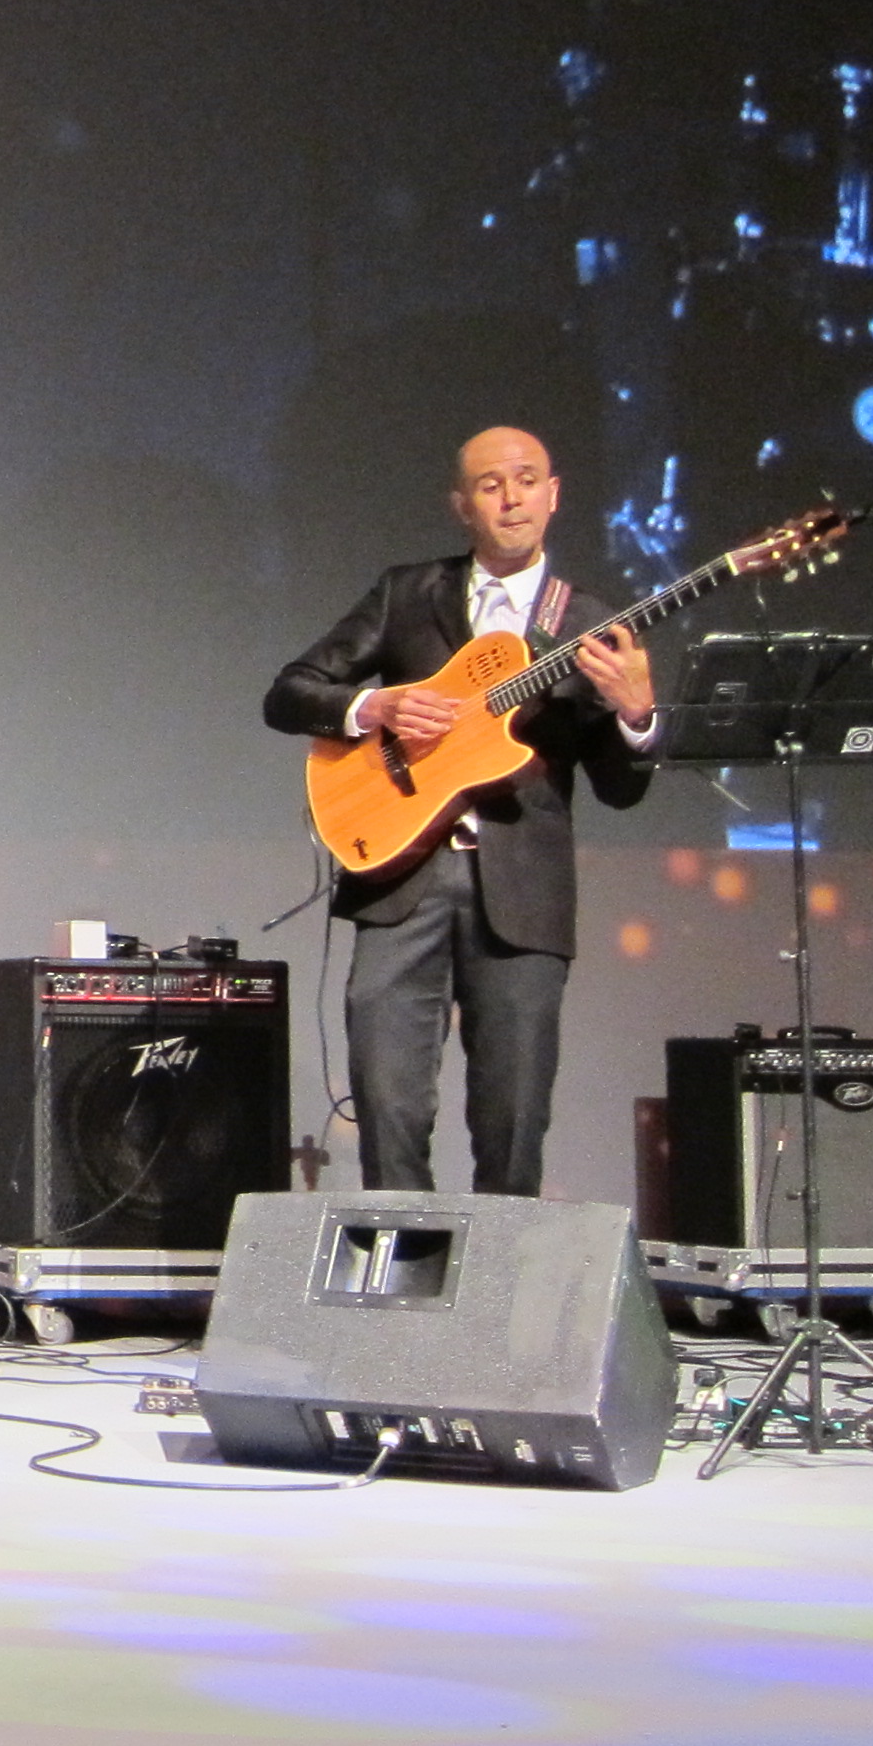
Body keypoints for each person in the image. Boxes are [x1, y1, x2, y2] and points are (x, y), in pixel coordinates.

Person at [264, 425, 655, 1200]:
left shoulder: (589, 622)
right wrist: (376, 707)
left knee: (514, 1118)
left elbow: (620, 788)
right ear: (461, 505)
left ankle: (499, 1274)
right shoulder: (408, 594)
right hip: (399, 876)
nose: (511, 498)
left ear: (554, 495)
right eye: (489, 484)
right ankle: (401, 1261)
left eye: (526, 480)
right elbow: (289, 693)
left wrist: (636, 716)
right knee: (388, 1104)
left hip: (523, 892)